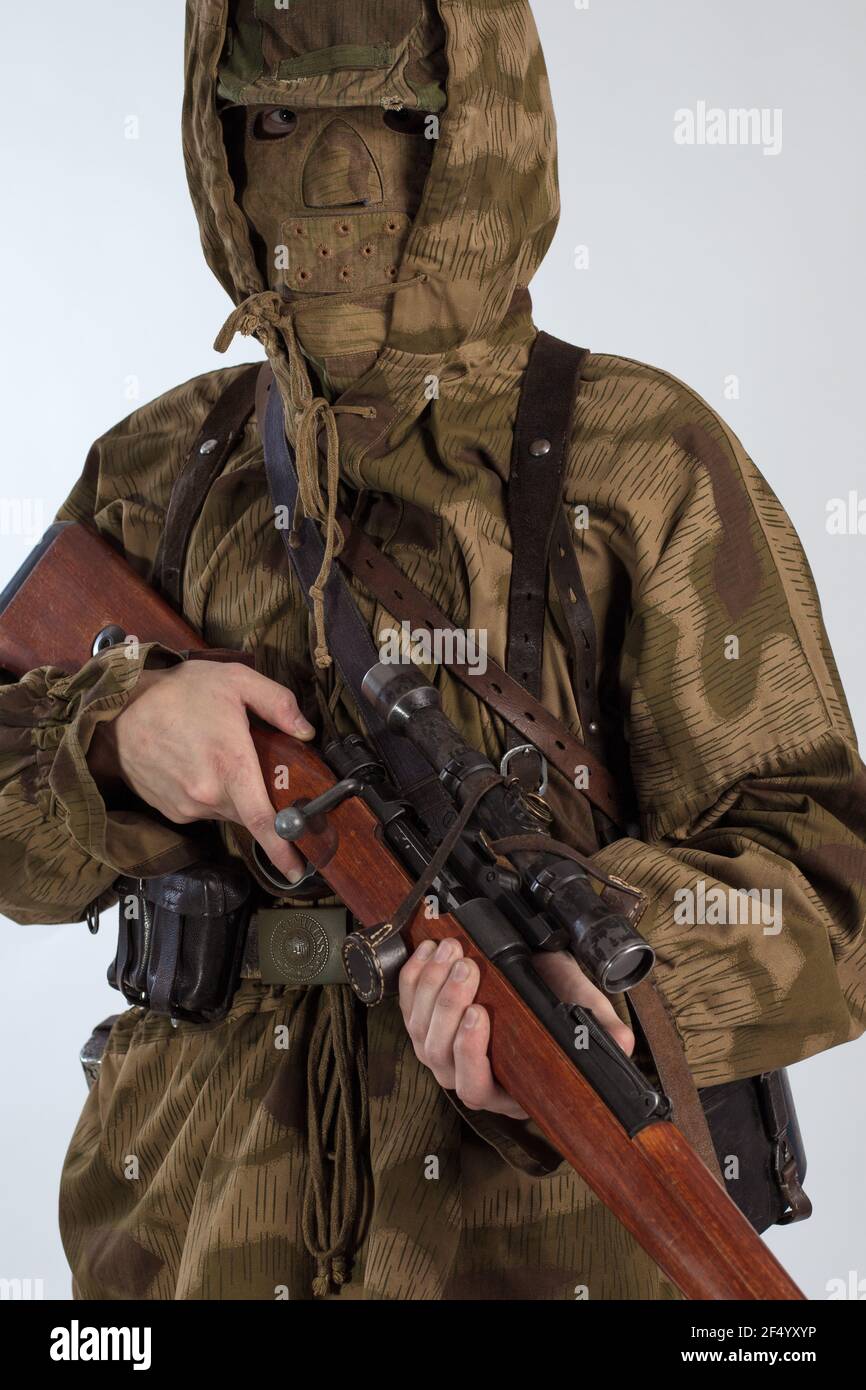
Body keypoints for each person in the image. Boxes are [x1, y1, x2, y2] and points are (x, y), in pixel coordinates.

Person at [0, 0, 863, 1301]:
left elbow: (825, 869)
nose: (339, 177)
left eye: (398, 120)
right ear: (218, 141)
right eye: (282, 119)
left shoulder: (639, 455)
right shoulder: (161, 469)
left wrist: (619, 983)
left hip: (539, 1237)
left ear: (480, 134)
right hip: (187, 1229)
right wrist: (116, 730)